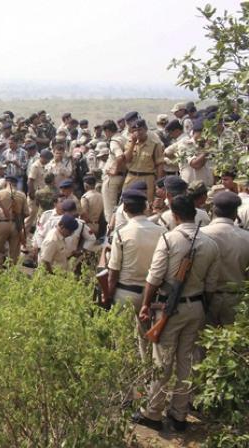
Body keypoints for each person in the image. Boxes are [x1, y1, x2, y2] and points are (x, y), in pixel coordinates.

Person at [134, 194, 220, 432]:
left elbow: (155, 276)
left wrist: (145, 304)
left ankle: (152, 412)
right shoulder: (211, 243)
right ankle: (179, 414)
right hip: (197, 307)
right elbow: (211, 286)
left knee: (162, 362)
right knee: (186, 361)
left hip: (170, 309)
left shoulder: (170, 239)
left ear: (174, 214)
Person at [104, 189, 164, 362]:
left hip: (125, 293)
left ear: (125, 209)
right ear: (146, 207)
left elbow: (113, 270)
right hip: (152, 294)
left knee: (121, 342)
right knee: (147, 341)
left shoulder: (122, 233)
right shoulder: (160, 231)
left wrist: (108, 295)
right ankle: (146, 377)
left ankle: (127, 379)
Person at [200, 192, 249, 325]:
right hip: (236, 300)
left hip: (205, 298)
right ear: (235, 214)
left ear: (214, 211)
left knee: (204, 341)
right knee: (233, 341)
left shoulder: (200, 235)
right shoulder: (246, 237)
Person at [124, 119, 165, 204]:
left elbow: (160, 165)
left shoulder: (155, 144)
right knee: (127, 202)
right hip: (131, 176)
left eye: (140, 130)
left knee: (147, 204)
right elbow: (127, 159)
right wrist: (133, 144)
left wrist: (159, 184)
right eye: (135, 130)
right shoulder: (130, 143)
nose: (137, 133)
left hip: (147, 178)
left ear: (146, 129)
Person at [0, 175, 28, 266]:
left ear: (6, 182)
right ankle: (12, 272)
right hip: (16, 225)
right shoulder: (22, 195)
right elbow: (26, 213)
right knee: (14, 252)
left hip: (2, 224)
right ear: (15, 184)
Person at [102, 120, 127, 222]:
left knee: (110, 209)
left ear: (107, 130)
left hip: (113, 178)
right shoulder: (123, 138)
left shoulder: (114, 141)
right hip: (122, 176)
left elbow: (120, 155)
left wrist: (114, 169)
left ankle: (111, 233)